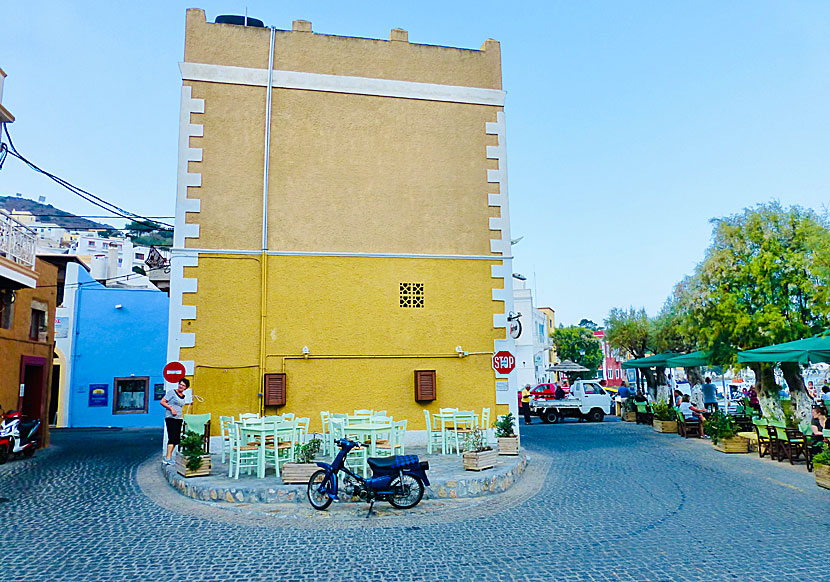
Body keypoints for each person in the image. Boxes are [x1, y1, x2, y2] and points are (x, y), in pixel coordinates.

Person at [161, 378, 189, 465]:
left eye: (183, 385)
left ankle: (169, 457)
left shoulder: (183, 396)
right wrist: (171, 408)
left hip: (179, 418)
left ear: (186, 388)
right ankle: (167, 458)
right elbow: (162, 402)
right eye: (180, 384)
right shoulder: (172, 392)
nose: (181, 386)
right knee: (172, 437)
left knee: (176, 439)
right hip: (171, 417)